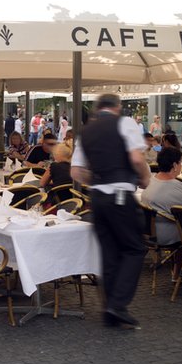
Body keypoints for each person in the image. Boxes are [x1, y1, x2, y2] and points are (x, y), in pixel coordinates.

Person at [71, 94, 151, 328]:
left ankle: (109, 307)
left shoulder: (84, 132)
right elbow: (136, 157)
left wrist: (98, 178)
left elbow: (76, 172)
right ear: (117, 107)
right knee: (135, 249)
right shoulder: (125, 123)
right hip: (119, 195)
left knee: (110, 252)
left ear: (98, 109)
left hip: (97, 197)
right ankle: (117, 304)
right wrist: (144, 178)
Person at [141, 147, 182, 246]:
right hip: (167, 235)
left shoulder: (150, 181)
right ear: (174, 165)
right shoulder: (178, 188)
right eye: (180, 163)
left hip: (147, 231)